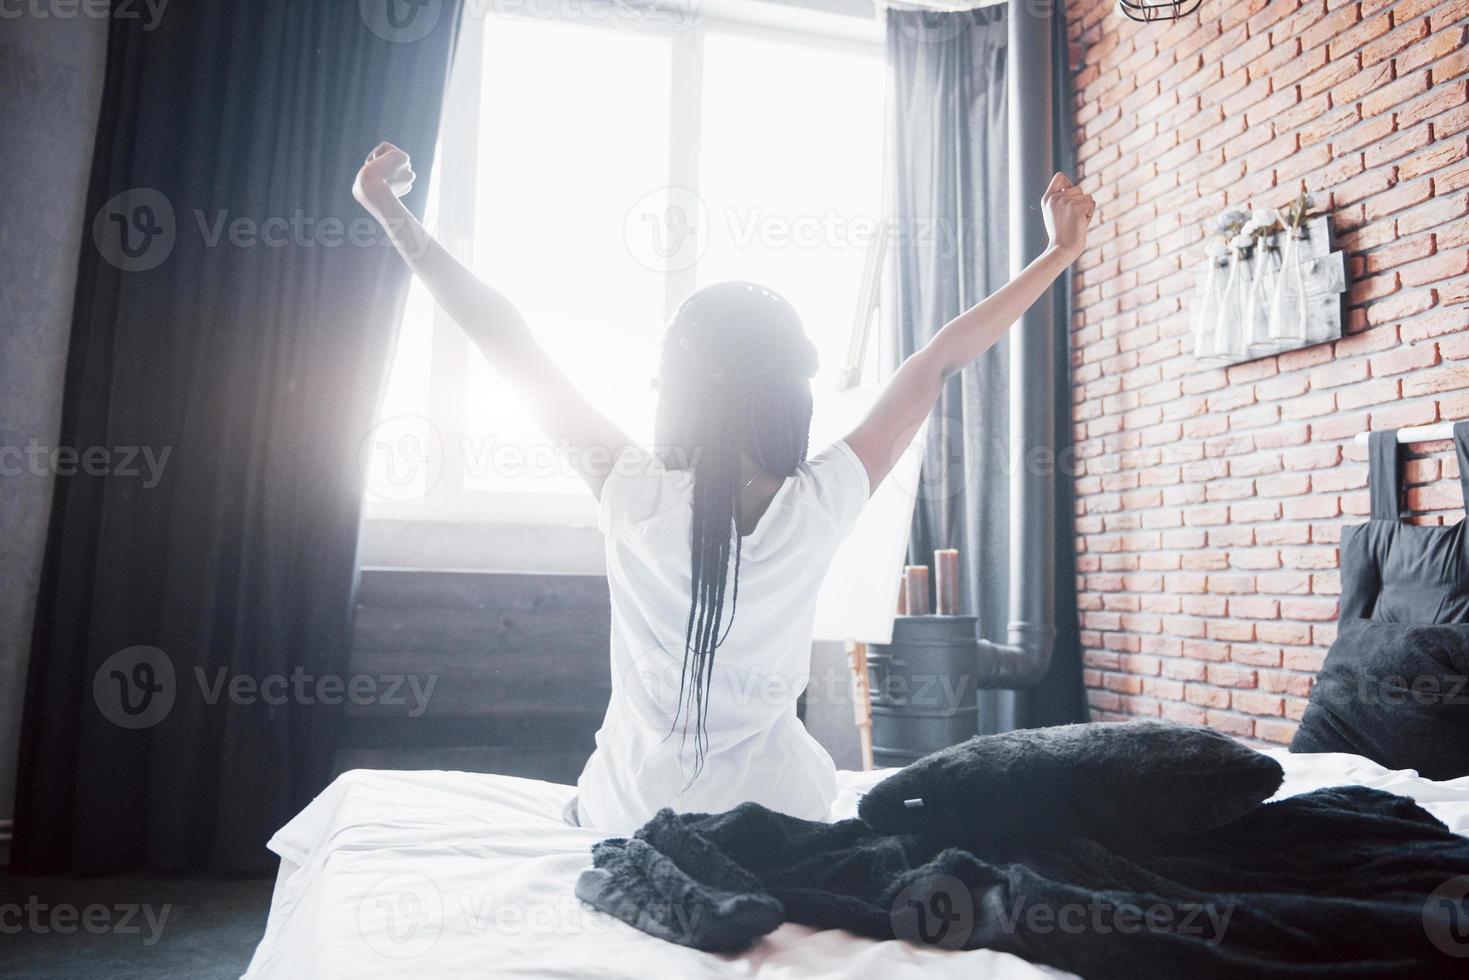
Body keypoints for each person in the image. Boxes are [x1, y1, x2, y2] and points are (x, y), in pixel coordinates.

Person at [352, 143, 1094, 833]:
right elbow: (935, 364)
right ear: (792, 394)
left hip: (632, 809)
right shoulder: (821, 497)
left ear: (674, 388)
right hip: (781, 815)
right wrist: (1058, 253)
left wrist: (390, 210)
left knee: (586, 805)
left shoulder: (632, 490)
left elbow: (502, 334)